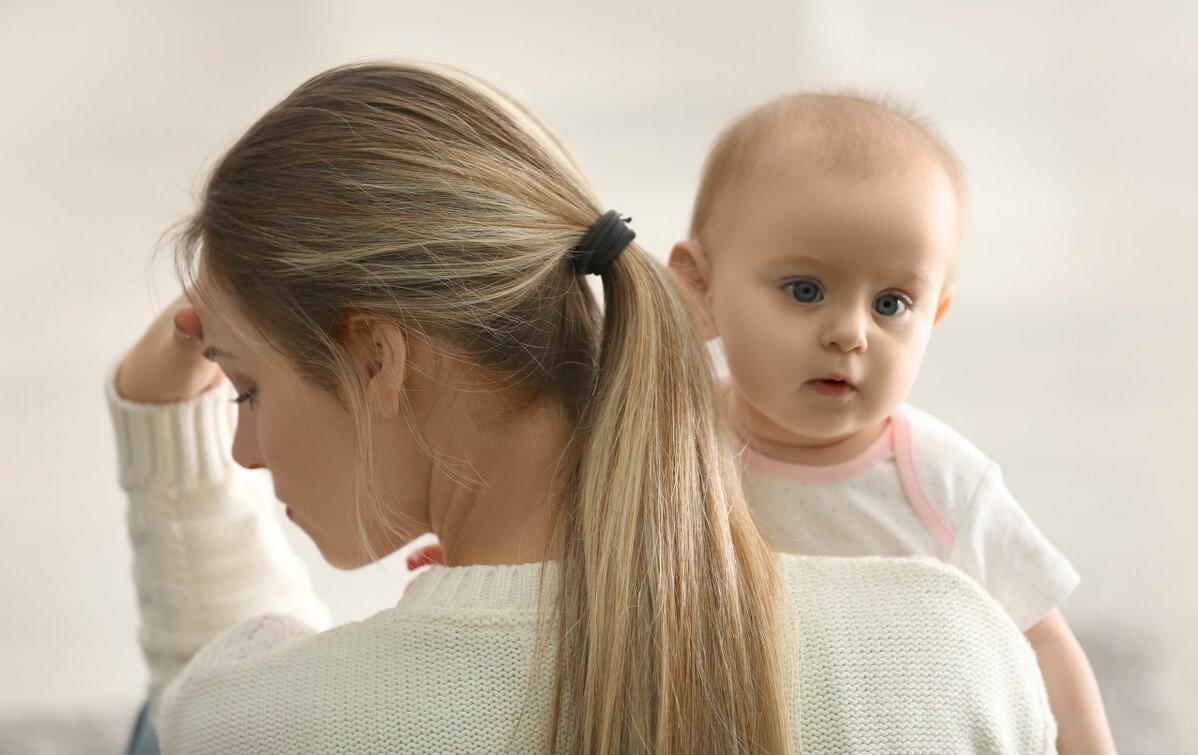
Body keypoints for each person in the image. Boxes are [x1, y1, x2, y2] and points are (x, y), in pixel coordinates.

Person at [109, 61, 1058, 753]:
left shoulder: (270, 716)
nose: (241, 449)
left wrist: (165, 442)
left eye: (246, 388)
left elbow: (199, 703)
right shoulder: (954, 649)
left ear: (377, 358)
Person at [668, 92, 1116, 754]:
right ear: (699, 291)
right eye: (805, 289)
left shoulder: (941, 483)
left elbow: (1043, 639)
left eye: (890, 303)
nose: (850, 333)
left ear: (933, 316)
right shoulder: (671, 440)